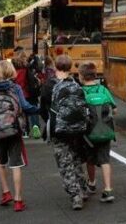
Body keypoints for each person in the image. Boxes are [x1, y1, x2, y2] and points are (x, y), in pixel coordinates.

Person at [0, 60, 38, 212]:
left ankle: (6, 192)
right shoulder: (15, 88)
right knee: (16, 164)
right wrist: (38, 110)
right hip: (14, 130)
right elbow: (25, 106)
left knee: (1, 163)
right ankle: (18, 200)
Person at [47, 55, 89, 210]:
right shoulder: (77, 85)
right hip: (77, 129)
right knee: (77, 159)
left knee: (65, 163)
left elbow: (46, 108)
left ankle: (75, 196)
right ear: (71, 67)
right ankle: (83, 189)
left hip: (59, 130)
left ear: (55, 67)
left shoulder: (51, 85)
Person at [79, 62, 117, 203]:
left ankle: (92, 183)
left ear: (81, 76)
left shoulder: (81, 91)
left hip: (88, 134)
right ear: (95, 75)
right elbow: (115, 109)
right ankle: (107, 190)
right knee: (105, 160)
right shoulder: (103, 90)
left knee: (90, 159)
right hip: (105, 131)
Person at [12, 50, 40, 139]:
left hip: (19, 93)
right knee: (33, 110)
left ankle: (25, 132)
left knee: (22, 113)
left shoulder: (13, 69)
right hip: (30, 92)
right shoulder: (28, 68)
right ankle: (35, 126)